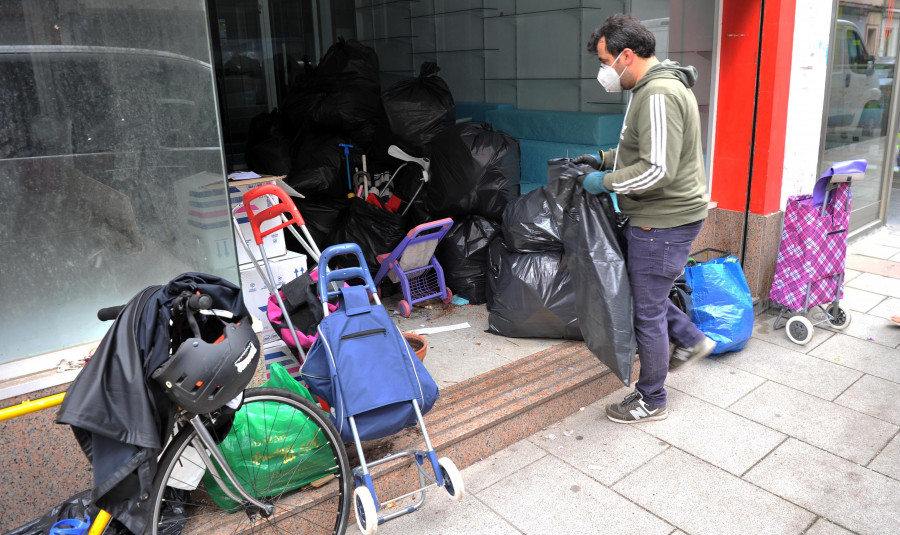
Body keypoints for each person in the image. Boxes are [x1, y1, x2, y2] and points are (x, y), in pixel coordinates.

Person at [574, 14, 716, 424]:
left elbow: (657, 170)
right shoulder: (653, 87)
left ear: (627, 55)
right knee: (647, 296)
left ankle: (651, 398)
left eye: (604, 61)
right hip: (665, 217)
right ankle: (690, 340)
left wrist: (606, 182)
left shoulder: (658, 94)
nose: (603, 71)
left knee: (646, 312)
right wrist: (603, 159)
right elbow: (645, 151)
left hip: (663, 222)